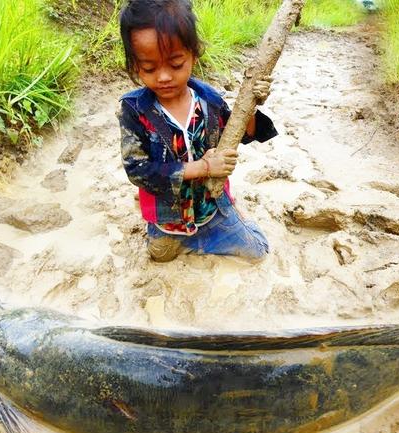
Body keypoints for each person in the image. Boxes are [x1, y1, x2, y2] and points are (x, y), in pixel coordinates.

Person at [117, 0, 278, 263]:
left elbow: (243, 134)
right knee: (159, 257)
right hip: (167, 224)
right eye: (149, 68)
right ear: (135, 65)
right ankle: (181, 240)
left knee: (258, 252)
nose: (164, 76)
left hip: (213, 215)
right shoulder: (134, 110)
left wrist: (251, 104)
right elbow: (138, 170)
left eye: (176, 64)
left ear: (193, 53)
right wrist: (203, 168)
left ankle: (234, 215)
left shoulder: (210, 100)